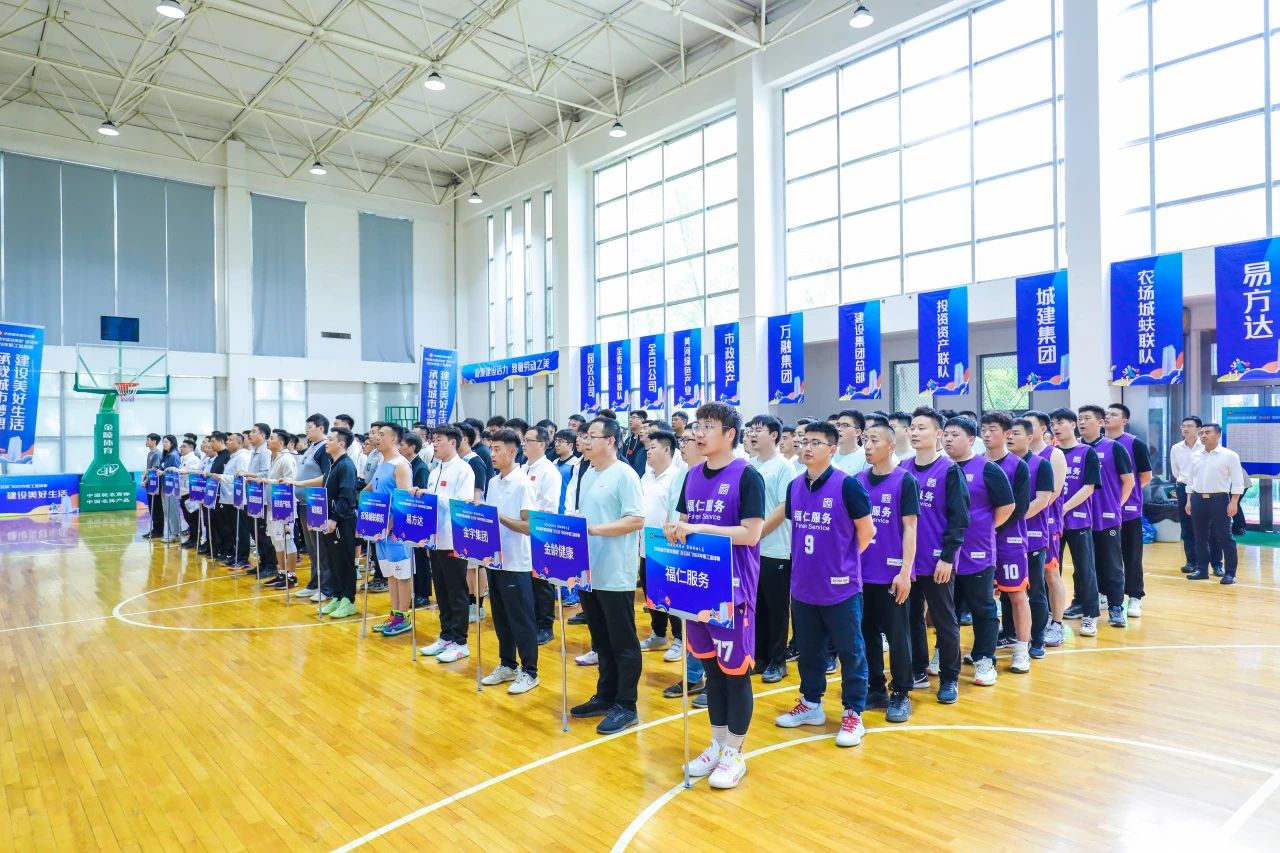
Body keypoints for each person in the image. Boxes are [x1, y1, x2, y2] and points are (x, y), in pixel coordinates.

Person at [666, 403, 764, 789]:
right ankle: (718, 744)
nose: (699, 433)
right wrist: (675, 530)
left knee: (735, 673)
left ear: (730, 434)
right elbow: (683, 523)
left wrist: (702, 528)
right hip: (697, 588)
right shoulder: (691, 475)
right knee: (711, 671)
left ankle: (735, 753)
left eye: (709, 426)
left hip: (733, 592)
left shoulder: (747, 476)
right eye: (698, 425)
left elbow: (751, 533)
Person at [766, 420, 873, 749]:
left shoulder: (848, 486)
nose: (807, 448)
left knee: (850, 652)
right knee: (810, 651)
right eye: (804, 442)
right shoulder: (795, 486)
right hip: (803, 586)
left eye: (816, 443)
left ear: (832, 449)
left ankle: (853, 712)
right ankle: (811, 703)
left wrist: (842, 562)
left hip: (841, 588)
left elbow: (866, 533)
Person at [569, 417, 645, 736]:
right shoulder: (587, 472)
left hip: (615, 571)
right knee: (600, 639)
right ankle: (605, 695)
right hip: (590, 569)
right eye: (584, 436)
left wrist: (597, 530)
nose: (585, 442)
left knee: (622, 641)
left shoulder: (624, 474)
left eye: (592, 436)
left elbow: (636, 519)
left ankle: (626, 705)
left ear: (611, 441)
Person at [855, 421, 918, 721]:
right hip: (861, 574)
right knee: (866, 634)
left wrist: (905, 572)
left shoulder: (905, 481)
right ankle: (875, 687)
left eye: (874, 440)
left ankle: (901, 692)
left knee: (897, 636)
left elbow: (910, 528)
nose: (867, 446)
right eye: (865, 440)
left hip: (892, 575)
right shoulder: (856, 481)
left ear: (891, 446)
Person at [944, 416, 1013, 687]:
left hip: (977, 552)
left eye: (955, 435)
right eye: (946, 434)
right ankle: (945, 653)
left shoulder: (988, 469)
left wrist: (984, 527)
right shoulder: (941, 468)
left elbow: (1007, 506)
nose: (948, 439)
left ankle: (984, 659)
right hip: (944, 553)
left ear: (971, 440)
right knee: (946, 610)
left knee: (982, 608)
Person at [904, 407, 966, 704]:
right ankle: (917, 670)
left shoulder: (949, 470)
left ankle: (950, 677)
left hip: (937, 560)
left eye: (922, 428)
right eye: (912, 428)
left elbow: (959, 519)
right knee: (910, 618)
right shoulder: (902, 468)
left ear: (938, 434)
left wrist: (947, 557)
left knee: (944, 619)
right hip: (906, 563)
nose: (915, 433)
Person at [479, 428, 540, 694]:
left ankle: (530, 671)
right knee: (501, 618)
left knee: (521, 620)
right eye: (491, 449)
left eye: (497, 449)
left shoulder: (523, 484)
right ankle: (507, 664)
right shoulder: (494, 482)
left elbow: (529, 527)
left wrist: (498, 517)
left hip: (516, 562)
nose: (492, 454)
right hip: (495, 559)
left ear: (512, 452)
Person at [660, 430, 711, 707]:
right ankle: (693, 676)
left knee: (711, 621)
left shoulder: (722, 474)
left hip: (710, 558)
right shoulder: (685, 474)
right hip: (683, 553)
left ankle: (714, 681)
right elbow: (680, 515)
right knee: (690, 619)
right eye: (684, 441)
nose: (684, 445)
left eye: (687, 441)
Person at [419, 425, 477, 661]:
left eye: (439, 439)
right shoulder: (434, 471)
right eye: (433, 439)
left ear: (453, 443)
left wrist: (431, 496)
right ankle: (446, 636)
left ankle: (460, 642)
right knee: (441, 591)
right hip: (435, 540)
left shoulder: (464, 470)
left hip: (454, 540)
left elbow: (461, 504)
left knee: (456, 591)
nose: (434, 443)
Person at [980, 412, 1032, 673]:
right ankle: (982, 651)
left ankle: (1022, 650)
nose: (986, 434)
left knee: (1016, 594)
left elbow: (1019, 508)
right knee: (981, 598)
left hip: (1009, 540)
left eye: (992, 429)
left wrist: (988, 528)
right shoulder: (974, 464)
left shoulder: (1018, 466)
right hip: (977, 543)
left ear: (1007, 433)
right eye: (983, 429)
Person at [747, 415, 795, 684]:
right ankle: (760, 657)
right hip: (752, 549)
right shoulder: (750, 465)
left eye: (759, 430)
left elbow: (783, 507)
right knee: (757, 606)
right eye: (751, 430)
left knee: (777, 609)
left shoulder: (784, 466)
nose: (753, 434)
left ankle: (778, 661)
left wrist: (757, 533)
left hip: (776, 549)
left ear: (774, 435)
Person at [1078, 405, 1134, 628]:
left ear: (1100, 422)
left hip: (1107, 517)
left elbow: (1129, 481)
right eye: (1080, 419)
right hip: (1080, 518)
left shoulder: (1114, 448)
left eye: (1087, 418)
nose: (1082, 422)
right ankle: (1082, 603)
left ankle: (1116, 607)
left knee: (1112, 564)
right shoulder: (1076, 449)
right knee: (1084, 565)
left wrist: (1116, 505)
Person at [1050, 408, 1103, 637]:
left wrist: (1064, 508)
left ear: (1072, 425)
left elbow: (1089, 487)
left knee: (1085, 569)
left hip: (1078, 521)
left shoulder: (1086, 452)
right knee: (1052, 571)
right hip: (1053, 523)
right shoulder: (1051, 453)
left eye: (1060, 422)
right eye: (1053, 424)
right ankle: (1052, 617)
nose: (1056, 427)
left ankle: (1090, 615)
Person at [1009, 418, 1056, 660]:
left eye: (1016, 433)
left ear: (1029, 438)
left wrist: (1012, 519)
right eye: (1008, 433)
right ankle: (1010, 634)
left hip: (1033, 536)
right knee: (1008, 589)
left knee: (1035, 589)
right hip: (1005, 538)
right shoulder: (1000, 464)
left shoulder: (1041, 465)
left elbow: (1042, 500)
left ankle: (1037, 639)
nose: (1010, 437)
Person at [363, 423, 415, 637]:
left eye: (382, 434)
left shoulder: (401, 465)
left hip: (395, 532)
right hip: (380, 530)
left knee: (402, 573)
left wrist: (388, 526)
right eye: (376, 434)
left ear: (394, 439)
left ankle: (404, 616)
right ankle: (394, 614)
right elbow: (372, 489)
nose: (376, 437)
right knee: (390, 574)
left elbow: (403, 502)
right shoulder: (382, 463)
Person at [638, 429, 685, 659]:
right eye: (648, 448)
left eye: (653, 447)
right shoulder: (646, 476)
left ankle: (680, 638)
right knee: (652, 591)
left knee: (672, 593)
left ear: (667, 449)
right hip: (646, 546)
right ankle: (658, 634)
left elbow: (675, 513)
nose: (648, 451)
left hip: (669, 547)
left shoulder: (677, 477)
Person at [1103, 403, 1153, 616]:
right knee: (1104, 555)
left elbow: (1146, 476)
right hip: (1102, 511)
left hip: (1128, 510)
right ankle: (1104, 593)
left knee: (1131, 555)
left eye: (1113, 414)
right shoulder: (1095, 444)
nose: (1107, 416)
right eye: (1106, 413)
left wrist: (1126, 494)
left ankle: (1134, 597)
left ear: (1124, 421)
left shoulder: (1135, 444)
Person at [1026, 410, 1069, 646]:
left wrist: (1024, 515)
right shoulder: (1018, 455)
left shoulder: (1054, 454)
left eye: (1030, 425)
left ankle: (1057, 623)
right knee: (1024, 577)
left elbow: (1052, 494)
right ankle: (1025, 624)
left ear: (1043, 429)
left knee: (1050, 573)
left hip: (1045, 523)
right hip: (1021, 524)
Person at [1185, 423, 1245, 584]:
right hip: (1197, 499)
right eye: (1201, 433)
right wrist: (1189, 500)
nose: (1203, 435)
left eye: (1208, 432)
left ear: (1218, 435)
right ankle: (1202, 570)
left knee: (1225, 536)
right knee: (1200, 537)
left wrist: (1234, 502)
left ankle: (1230, 573)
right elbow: (1190, 480)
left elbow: (1238, 481)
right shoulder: (1195, 455)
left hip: (1219, 500)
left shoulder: (1229, 455)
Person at [522, 425, 563, 645]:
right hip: (521, 533)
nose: (524, 444)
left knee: (542, 582)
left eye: (528, 440)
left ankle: (545, 626)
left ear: (541, 444)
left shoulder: (549, 471)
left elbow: (549, 507)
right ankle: (531, 622)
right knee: (527, 581)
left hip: (541, 533)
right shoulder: (523, 468)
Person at [287, 414, 334, 600]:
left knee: (321, 547)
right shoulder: (311, 448)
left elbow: (327, 476)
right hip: (304, 503)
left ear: (321, 428)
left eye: (310, 427)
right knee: (312, 547)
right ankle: (315, 583)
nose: (307, 430)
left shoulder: (325, 449)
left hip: (316, 503)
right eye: (306, 427)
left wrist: (301, 484)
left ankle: (327, 587)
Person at [317, 427, 360, 618]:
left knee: (344, 562)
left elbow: (346, 496)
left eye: (331, 439)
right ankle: (337, 595)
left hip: (342, 523)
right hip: (328, 522)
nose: (327, 442)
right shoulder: (332, 464)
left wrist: (334, 518)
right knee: (333, 561)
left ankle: (348, 601)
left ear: (341, 444)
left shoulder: (346, 466)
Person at [457, 422, 491, 622]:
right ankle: (470, 601)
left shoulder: (475, 461)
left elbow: (477, 494)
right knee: (468, 566)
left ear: (464, 439)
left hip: (474, 519)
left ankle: (479, 605)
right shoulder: (460, 461)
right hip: (462, 518)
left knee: (477, 566)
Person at [259, 429, 299, 589]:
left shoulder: (287, 459)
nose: (268, 441)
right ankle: (281, 573)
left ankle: (292, 576)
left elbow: (290, 481)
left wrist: (267, 481)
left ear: (281, 443)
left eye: (272, 438)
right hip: (272, 505)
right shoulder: (274, 458)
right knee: (277, 541)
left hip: (284, 507)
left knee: (287, 540)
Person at [1169, 416, 1206, 574]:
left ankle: (1209, 562)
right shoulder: (1176, 448)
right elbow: (1176, 471)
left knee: (1205, 527)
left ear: (1198, 429)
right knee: (1186, 526)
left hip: (1203, 488)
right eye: (1183, 426)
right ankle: (1191, 561)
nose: (1185, 429)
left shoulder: (1205, 447)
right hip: (1183, 488)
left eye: (1189, 426)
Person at [242, 423, 278, 580]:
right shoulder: (255, 452)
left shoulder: (265, 452)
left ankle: (271, 565)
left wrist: (247, 474)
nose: (250, 434)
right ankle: (263, 563)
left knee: (263, 533)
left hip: (262, 499)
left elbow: (266, 473)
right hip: (253, 498)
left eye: (253, 431)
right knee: (255, 532)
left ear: (263, 435)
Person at [401, 433, 433, 609]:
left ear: (412, 447)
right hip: (409, 516)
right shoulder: (406, 465)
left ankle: (423, 593)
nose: (400, 448)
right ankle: (415, 590)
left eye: (403, 445)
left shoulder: (420, 468)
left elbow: (422, 496)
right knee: (412, 556)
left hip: (419, 518)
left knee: (420, 557)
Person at [177, 438, 202, 548]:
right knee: (187, 517)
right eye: (181, 446)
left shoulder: (194, 459)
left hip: (190, 492)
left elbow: (195, 472)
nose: (181, 448)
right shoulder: (183, 458)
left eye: (184, 446)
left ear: (191, 448)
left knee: (193, 517)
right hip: (183, 492)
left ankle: (196, 539)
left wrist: (181, 471)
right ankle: (192, 537)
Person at [158, 435, 182, 542]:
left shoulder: (174, 455)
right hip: (165, 485)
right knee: (167, 510)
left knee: (173, 510)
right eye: (163, 442)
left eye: (166, 442)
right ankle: (172, 533)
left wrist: (163, 473)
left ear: (172, 443)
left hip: (172, 487)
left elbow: (175, 472)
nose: (164, 444)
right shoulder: (166, 455)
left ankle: (175, 534)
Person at [832, 410, 868, 476]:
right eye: (838, 425)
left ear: (857, 432)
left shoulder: (866, 458)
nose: (839, 429)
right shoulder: (829, 453)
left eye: (845, 425)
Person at [143, 433, 165, 539]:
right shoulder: (149, 454)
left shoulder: (157, 454)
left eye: (148, 439)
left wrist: (146, 481)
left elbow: (154, 469)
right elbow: (148, 469)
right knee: (152, 508)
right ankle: (154, 529)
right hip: (150, 484)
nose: (146, 441)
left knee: (157, 507)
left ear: (154, 441)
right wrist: (144, 478)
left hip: (155, 484)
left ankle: (159, 531)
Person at [621, 409, 648, 476]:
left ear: (642, 420)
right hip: (627, 471)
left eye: (633, 417)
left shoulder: (644, 440)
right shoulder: (628, 439)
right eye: (629, 418)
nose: (630, 420)